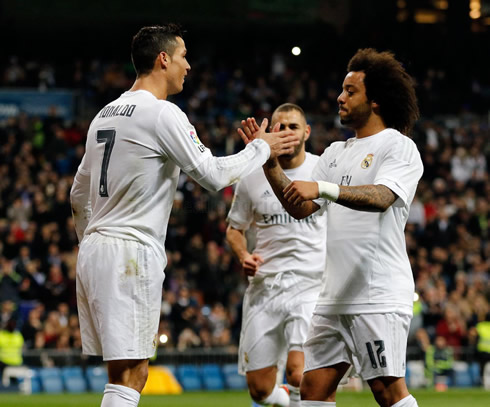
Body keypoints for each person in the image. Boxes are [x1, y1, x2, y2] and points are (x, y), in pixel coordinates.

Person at [70, 24, 299, 407]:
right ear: (163, 59)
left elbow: (78, 194)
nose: (188, 66)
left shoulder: (103, 116)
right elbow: (212, 175)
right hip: (131, 250)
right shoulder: (162, 114)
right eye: (183, 56)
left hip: (95, 249)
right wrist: (260, 149)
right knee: (134, 373)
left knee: (121, 372)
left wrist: (90, 241)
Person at [240, 48, 423, 407]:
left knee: (388, 392)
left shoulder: (398, 147)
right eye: (342, 89)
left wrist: (324, 188)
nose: (340, 97)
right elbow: (300, 207)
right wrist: (269, 163)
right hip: (332, 296)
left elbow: (383, 196)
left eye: (350, 91)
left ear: (376, 101)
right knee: (313, 389)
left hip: (377, 294)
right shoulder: (337, 152)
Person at [226, 103, 327, 407]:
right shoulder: (251, 177)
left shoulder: (323, 170)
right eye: (279, 127)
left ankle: (295, 394)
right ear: (270, 132)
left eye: (293, 127)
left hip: (311, 284)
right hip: (265, 286)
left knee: (300, 374)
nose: (285, 133)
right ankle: (282, 398)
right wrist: (243, 254)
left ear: (306, 132)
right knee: (259, 390)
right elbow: (234, 229)